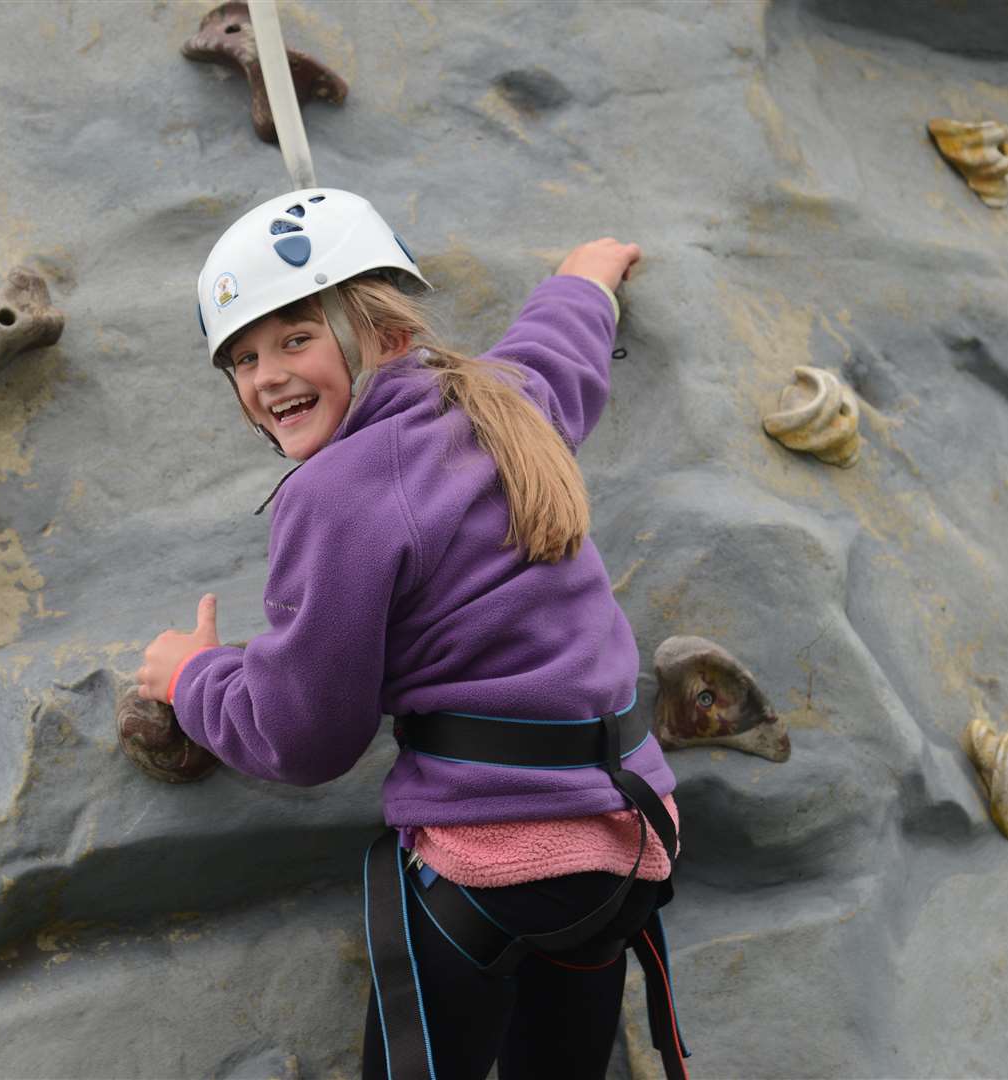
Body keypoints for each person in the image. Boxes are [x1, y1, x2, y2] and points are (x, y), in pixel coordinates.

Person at [135, 188, 686, 1080]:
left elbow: (304, 734)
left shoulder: (334, 497)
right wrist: (585, 281)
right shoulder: (503, 406)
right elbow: (557, 355)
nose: (266, 374)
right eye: (241, 358)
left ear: (384, 334)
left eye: (295, 338)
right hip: (630, 840)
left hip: (495, 862)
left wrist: (194, 677)